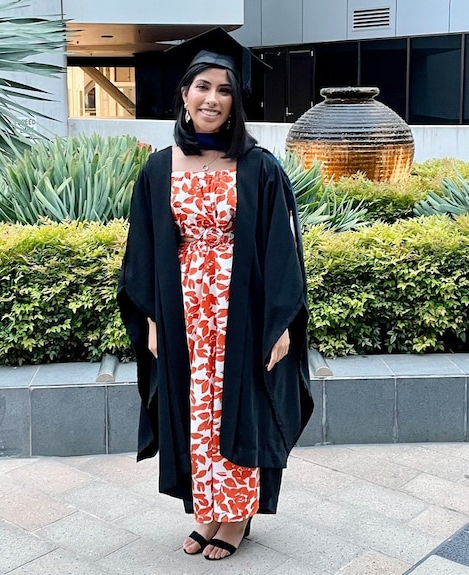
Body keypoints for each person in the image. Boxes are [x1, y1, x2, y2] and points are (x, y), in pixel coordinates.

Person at [117, 28, 314, 561]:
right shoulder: (159, 168)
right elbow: (144, 249)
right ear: (184, 94)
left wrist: (279, 326)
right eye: (202, 87)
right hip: (184, 312)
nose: (212, 99)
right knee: (195, 409)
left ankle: (236, 517)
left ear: (235, 101)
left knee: (238, 407)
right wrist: (153, 319)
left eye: (224, 90)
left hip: (242, 311)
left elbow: (282, 249)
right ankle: (205, 511)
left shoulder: (259, 166)